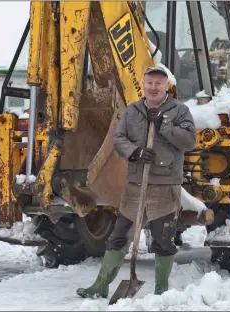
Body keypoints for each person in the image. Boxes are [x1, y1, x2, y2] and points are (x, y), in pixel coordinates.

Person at [76, 66, 197, 299]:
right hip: (135, 185)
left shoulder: (179, 111)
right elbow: (119, 139)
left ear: (166, 86)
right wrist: (135, 153)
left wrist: (163, 125)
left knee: (163, 240)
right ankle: (100, 285)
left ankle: (161, 290)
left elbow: (189, 141)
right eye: (149, 83)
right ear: (143, 84)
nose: (153, 88)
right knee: (118, 237)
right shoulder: (132, 111)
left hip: (164, 186)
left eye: (158, 84)